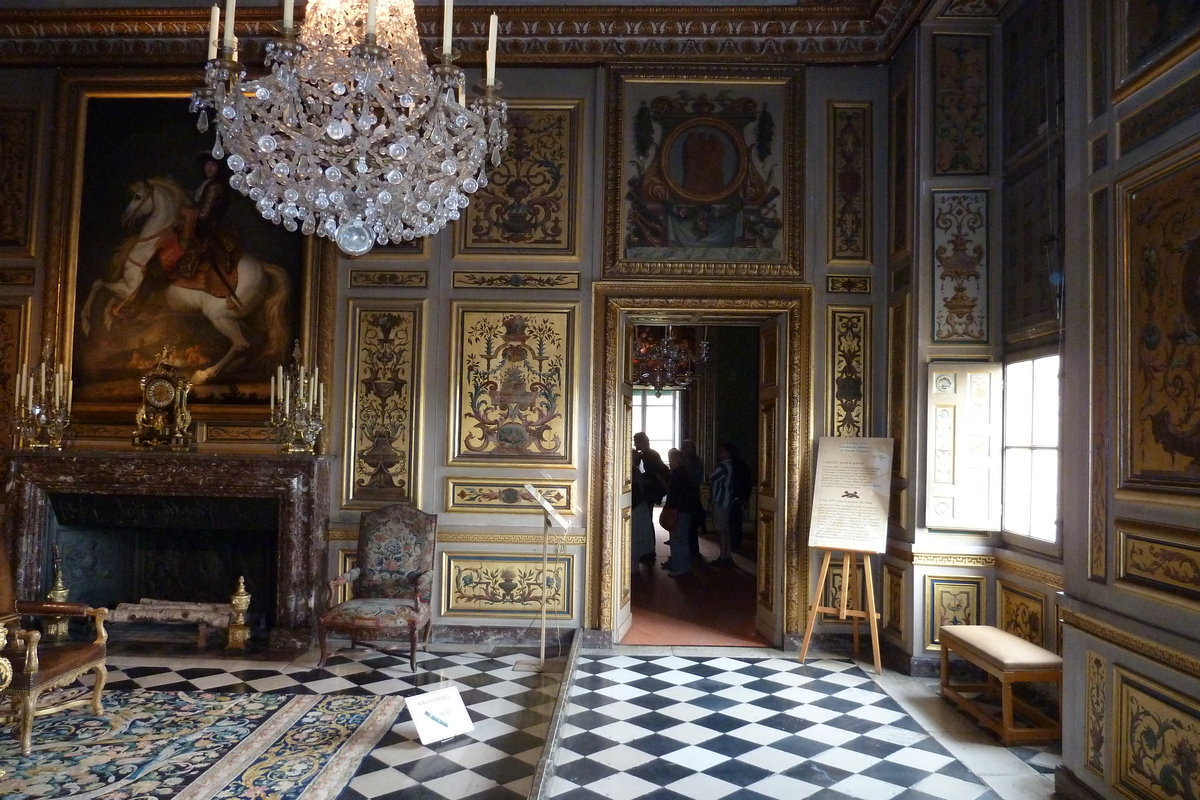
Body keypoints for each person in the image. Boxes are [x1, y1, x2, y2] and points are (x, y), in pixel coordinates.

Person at [661, 447, 701, 577]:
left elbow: (674, 494)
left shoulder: (677, 474)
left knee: (677, 540)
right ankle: (685, 566)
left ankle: (679, 568)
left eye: (671, 459)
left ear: (675, 460)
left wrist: (671, 508)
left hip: (678, 511)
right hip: (685, 510)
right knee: (683, 539)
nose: (670, 461)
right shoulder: (684, 472)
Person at [631, 432, 668, 567]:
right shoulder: (651, 454)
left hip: (651, 491)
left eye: (636, 442)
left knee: (646, 521)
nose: (635, 445)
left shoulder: (648, 456)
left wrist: (642, 478)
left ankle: (649, 551)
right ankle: (649, 550)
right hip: (654, 490)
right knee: (647, 520)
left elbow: (653, 474)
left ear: (642, 442)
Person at [708, 443, 735, 567]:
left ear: (728, 453)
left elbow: (711, 478)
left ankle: (723, 557)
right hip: (727, 500)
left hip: (720, 501)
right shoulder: (730, 466)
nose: (719, 453)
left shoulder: (723, 467)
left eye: (722, 451)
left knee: (721, 531)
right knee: (726, 530)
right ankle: (727, 555)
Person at [680, 438, 705, 559]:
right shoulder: (693, 461)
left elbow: (692, 480)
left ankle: (692, 551)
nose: (684, 450)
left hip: (690, 496)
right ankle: (692, 550)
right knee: (690, 526)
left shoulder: (692, 462)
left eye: (686, 448)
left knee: (690, 525)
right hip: (691, 495)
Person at [728, 443, 753, 554]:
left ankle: (734, 543)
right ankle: (734, 543)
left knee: (734, 522)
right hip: (737, 497)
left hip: (735, 497)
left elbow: (746, 483)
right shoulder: (741, 465)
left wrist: (745, 498)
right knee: (735, 522)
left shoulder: (734, 466)